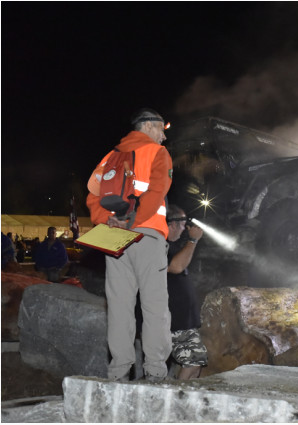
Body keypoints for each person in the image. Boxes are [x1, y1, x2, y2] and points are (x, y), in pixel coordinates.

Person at [86, 108, 173, 381]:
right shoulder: (157, 153)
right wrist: (133, 221)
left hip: (114, 237)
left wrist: (109, 223)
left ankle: (119, 371)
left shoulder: (110, 156)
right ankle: (156, 371)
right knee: (154, 305)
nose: (163, 137)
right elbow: (157, 190)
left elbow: (92, 196)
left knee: (120, 305)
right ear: (147, 126)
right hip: (146, 235)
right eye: (161, 129)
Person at [157, 205, 208, 379]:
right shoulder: (158, 245)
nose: (186, 228)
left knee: (195, 363)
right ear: (171, 224)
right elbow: (175, 267)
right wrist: (192, 241)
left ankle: (183, 399)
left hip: (182, 322)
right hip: (173, 322)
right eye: (182, 224)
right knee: (193, 361)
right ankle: (176, 399)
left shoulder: (171, 246)